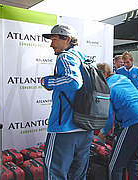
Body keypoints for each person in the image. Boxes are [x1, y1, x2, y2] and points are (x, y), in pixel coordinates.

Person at [40, 24, 93, 179]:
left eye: (54, 39)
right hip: (85, 127)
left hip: (64, 128)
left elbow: (73, 81)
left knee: (54, 172)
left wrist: (47, 82)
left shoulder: (65, 56)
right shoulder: (83, 58)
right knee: (77, 175)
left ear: (67, 39)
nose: (51, 44)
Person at [97, 63, 138, 180]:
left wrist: (103, 133)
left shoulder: (107, 88)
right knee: (134, 161)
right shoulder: (122, 78)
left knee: (114, 165)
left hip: (132, 123)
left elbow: (109, 115)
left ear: (104, 75)